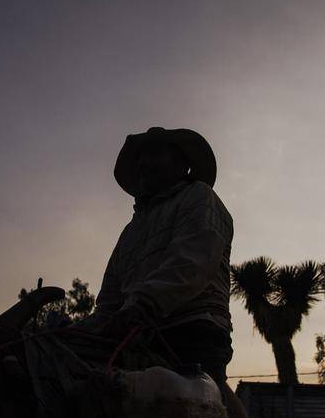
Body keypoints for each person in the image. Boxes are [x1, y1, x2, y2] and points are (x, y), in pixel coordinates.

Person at [76, 126, 234, 386]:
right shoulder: (130, 231)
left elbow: (192, 262)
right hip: (135, 336)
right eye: (140, 158)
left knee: (191, 401)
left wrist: (143, 304)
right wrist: (80, 330)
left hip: (192, 327)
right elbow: (109, 302)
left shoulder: (199, 197)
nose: (143, 163)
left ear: (181, 164)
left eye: (154, 154)